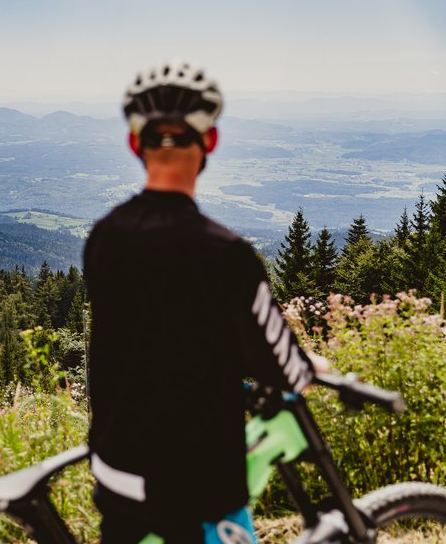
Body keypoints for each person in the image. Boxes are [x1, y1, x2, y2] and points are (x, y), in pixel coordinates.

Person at [84, 61, 323, 544]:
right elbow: (283, 366)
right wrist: (306, 367)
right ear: (210, 141)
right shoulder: (226, 254)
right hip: (193, 486)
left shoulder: (105, 236)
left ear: (135, 144)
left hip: (114, 473)